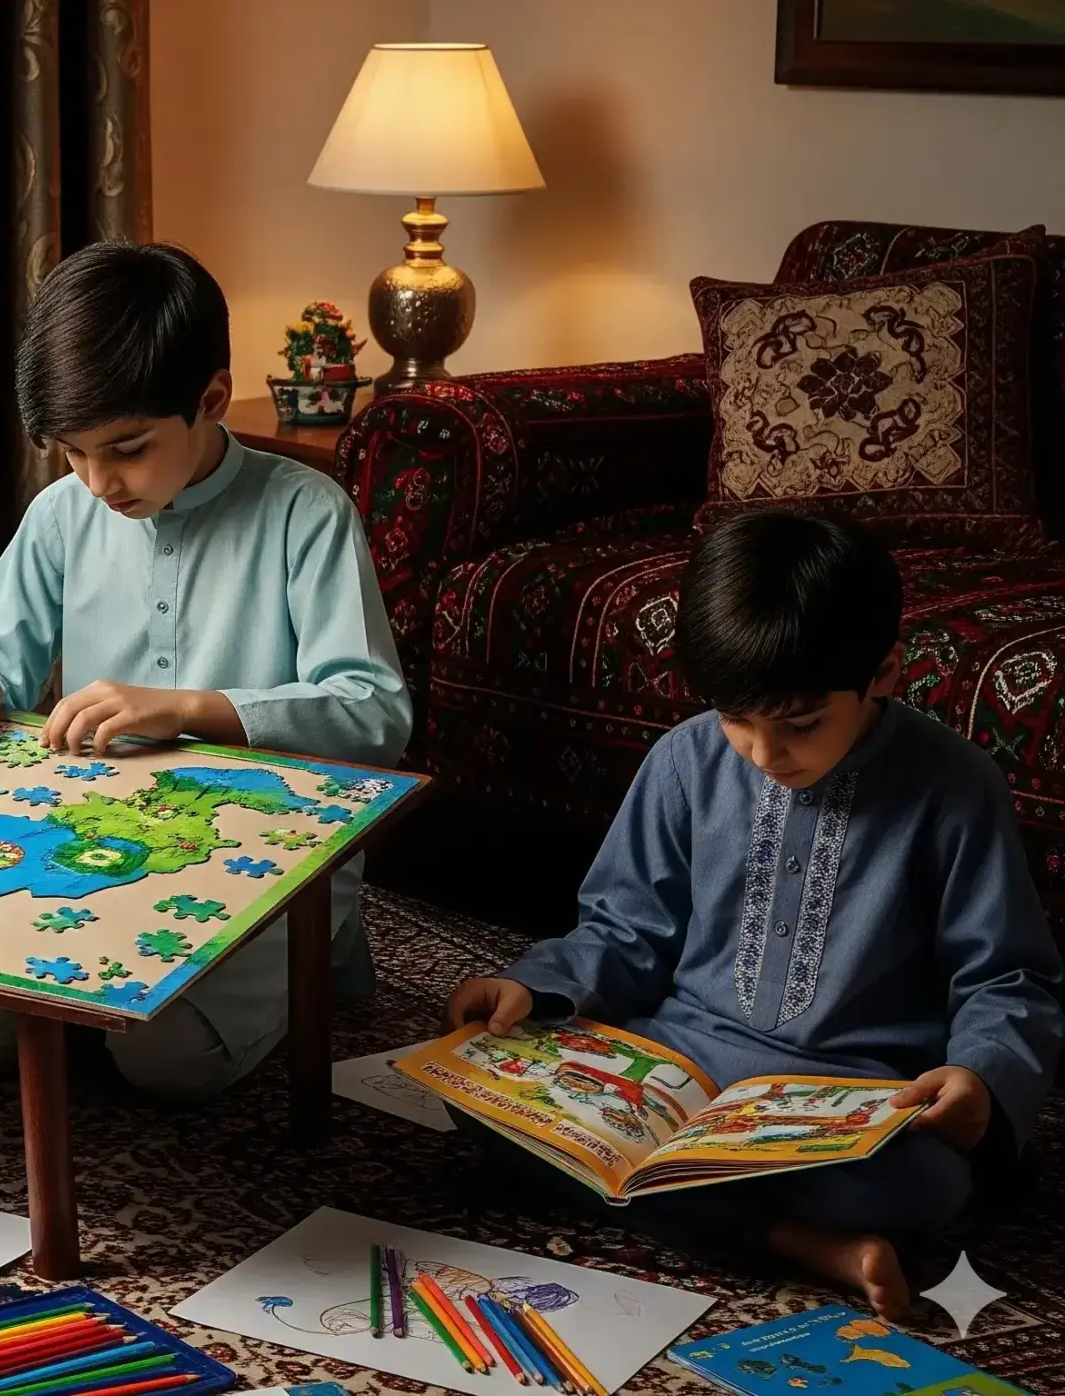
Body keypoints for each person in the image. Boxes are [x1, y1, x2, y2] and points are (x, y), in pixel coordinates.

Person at [447, 510, 1064, 1317]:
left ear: (882, 672)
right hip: (678, 1066)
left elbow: (1008, 975)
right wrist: (533, 988)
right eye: (737, 720)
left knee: (921, 1181)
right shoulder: (685, 759)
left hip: (854, 1102)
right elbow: (624, 929)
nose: (765, 755)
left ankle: (762, 1218)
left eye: (800, 725)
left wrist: (980, 1078)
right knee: (477, 1099)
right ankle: (798, 1243)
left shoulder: (953, 788)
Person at [0, 241, 410, 1100]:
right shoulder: (63, 513)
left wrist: (187, 708)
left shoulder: (306, 514)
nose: (99, 480)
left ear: (211, 398)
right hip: (91, 842)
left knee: (168, 1057)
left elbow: (373, 715)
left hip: (263, 851)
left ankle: (319, 953)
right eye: (73, 452)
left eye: (128, 448)